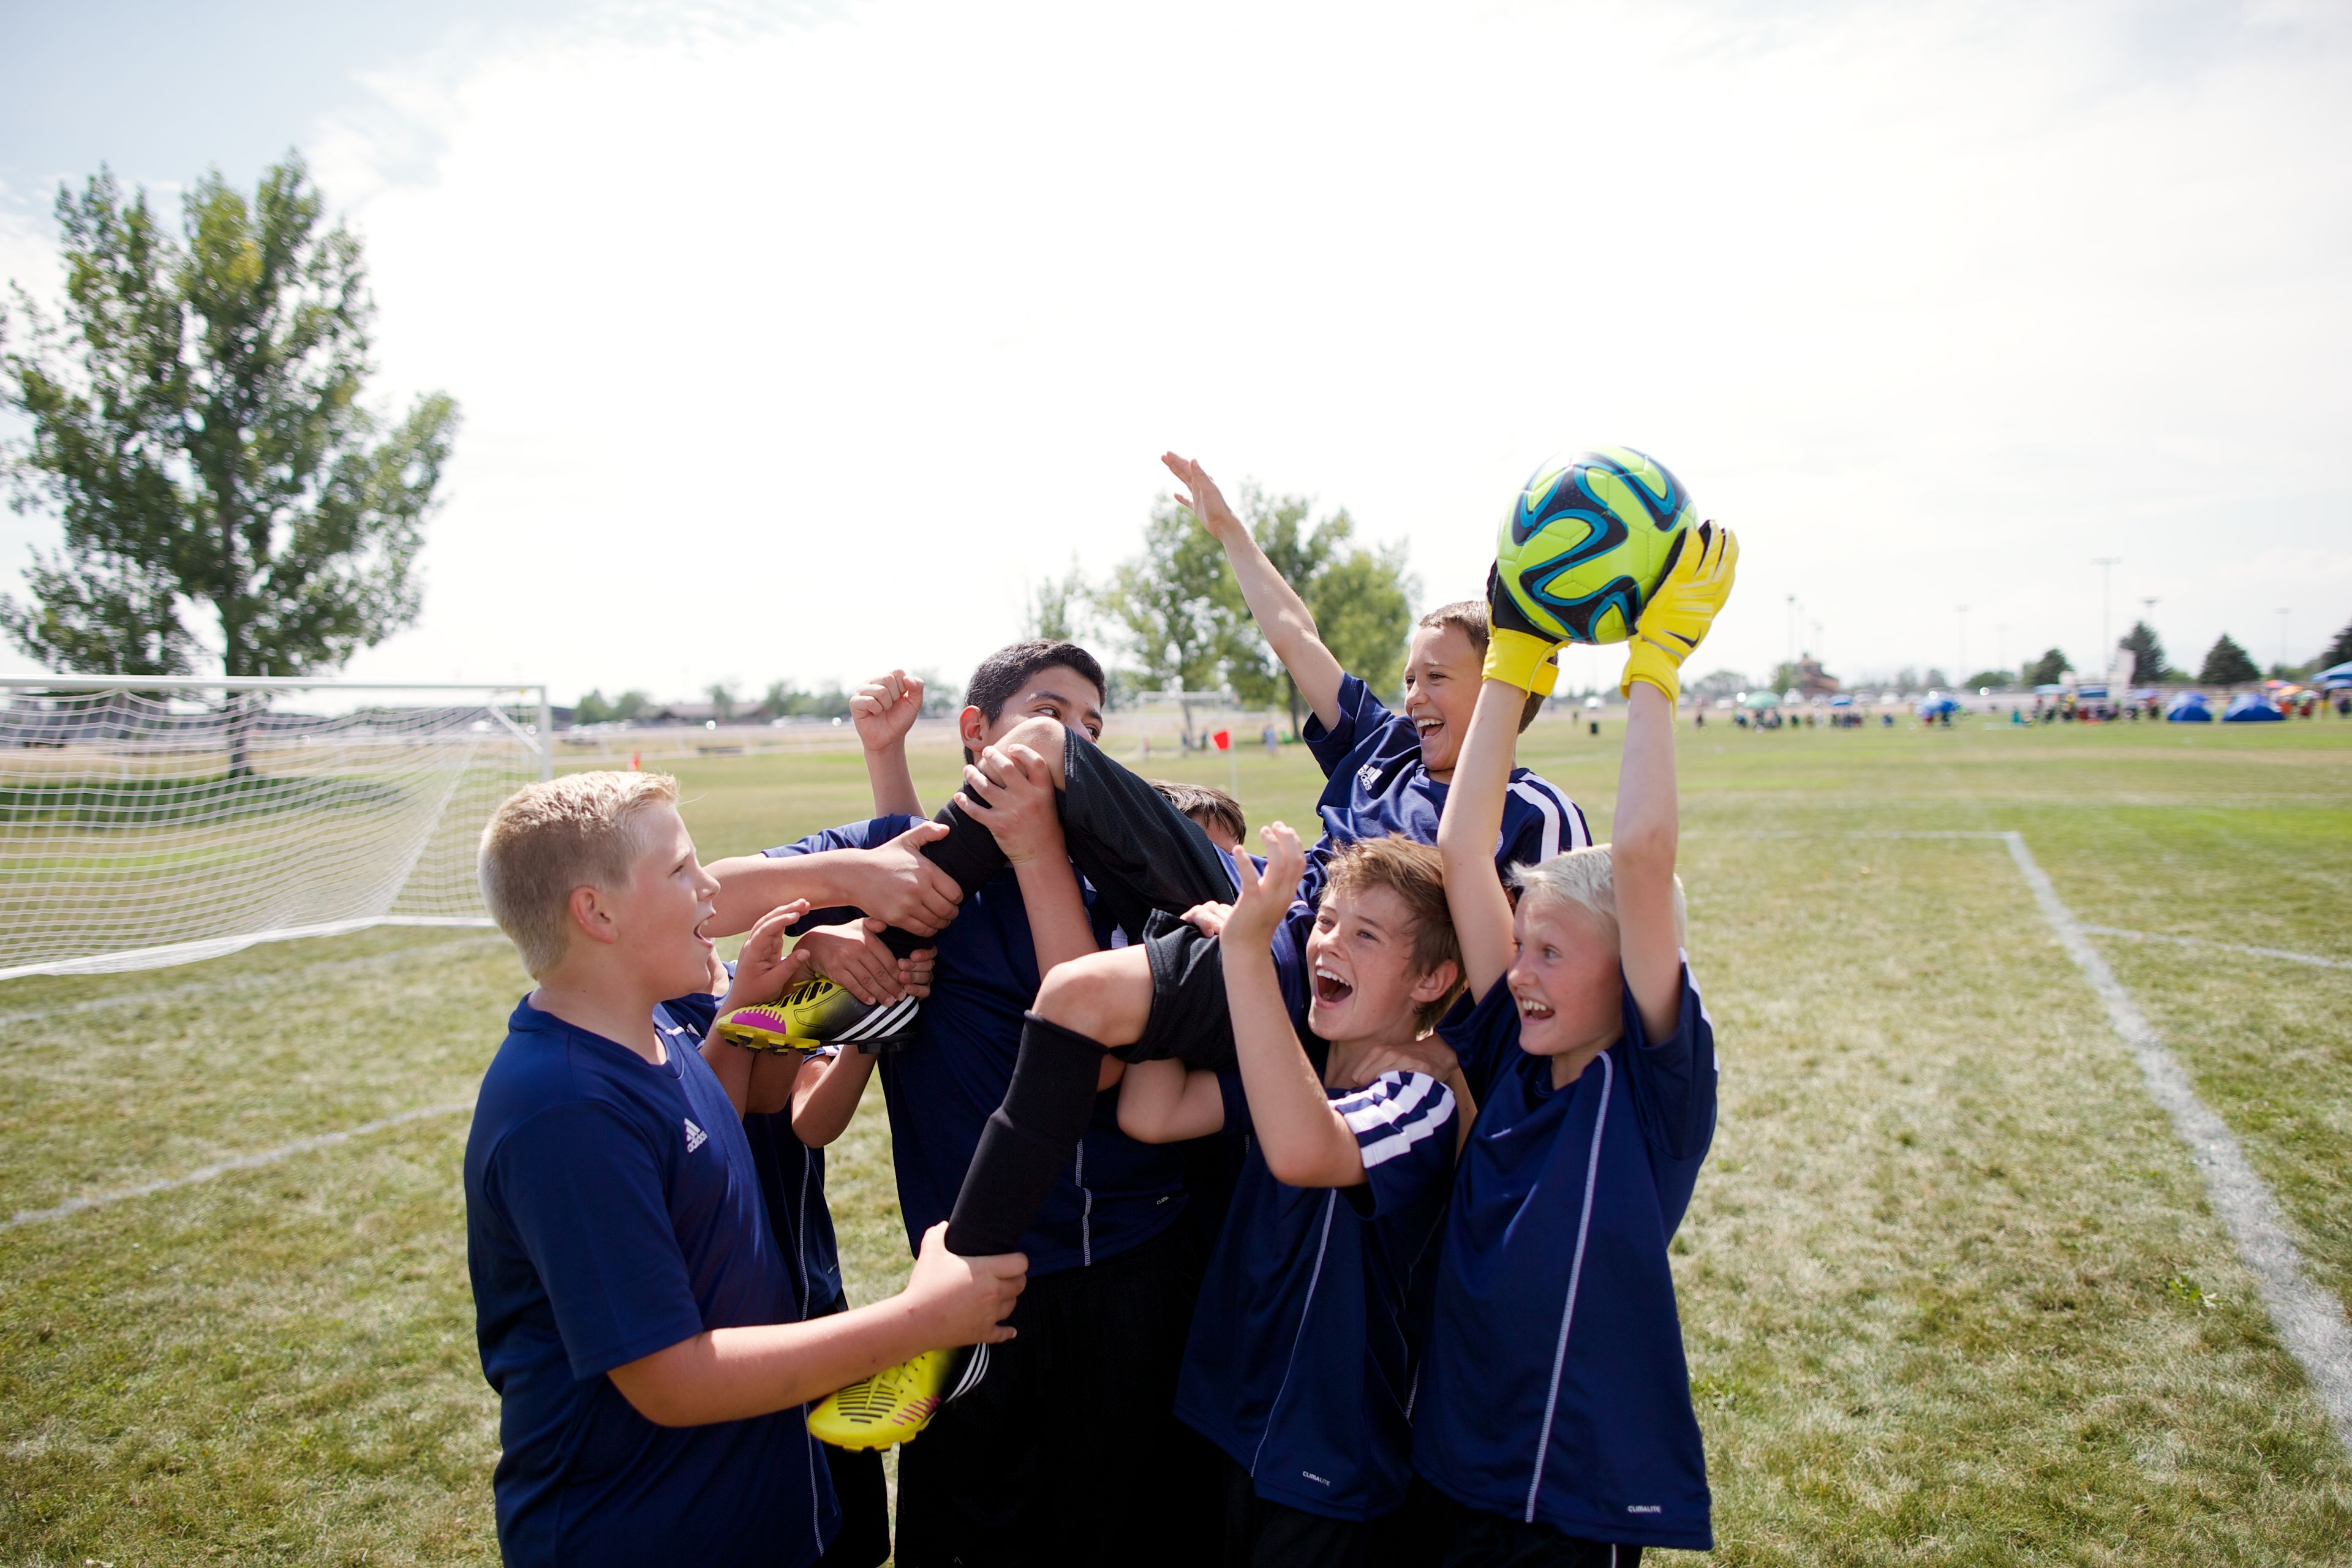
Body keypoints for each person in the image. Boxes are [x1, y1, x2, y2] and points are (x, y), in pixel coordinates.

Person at [822, 454, 1591, 1447]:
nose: (1414, 693)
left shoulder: (1530, 808)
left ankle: (946, 1317)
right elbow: (1295, 635)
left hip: (1314, 988)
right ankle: (881, 940)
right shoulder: (1381, 747)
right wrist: (1231, 531)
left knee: (1086, 998)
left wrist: (1464, 1072)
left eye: (1437, 676)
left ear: (1506, 685)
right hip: (1255, 921)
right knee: (1044, 758)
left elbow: (1533, 972)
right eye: (1409, 676)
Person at [710, 642, 1232, 1567]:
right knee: (965, 1533)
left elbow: (1101, 1065)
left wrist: (1033, 854)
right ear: (975, 733)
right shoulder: (898, 859)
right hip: (957, 1287)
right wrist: (844, 902)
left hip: (1119, 1266)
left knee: (1116, 1531)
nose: (1069, 740)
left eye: (1090, 730)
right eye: (1049, 713)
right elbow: (705, 899)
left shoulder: (1105, 875)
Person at [461, 771, 1024, 1568]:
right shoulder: (565, 1108)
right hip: (645, 1530)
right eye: (682, 871)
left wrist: (753, 1020)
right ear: (596, 912)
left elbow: (710, 1126)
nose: (710, 888)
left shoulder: (650, 1031)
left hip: (748, 1508)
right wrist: (923, 1321)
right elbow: (672, 1381)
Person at [1411, 522, 1736, 1564]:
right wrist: (1510, 661)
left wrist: (1657, 667)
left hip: (1563, 1494)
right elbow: (1464, 847)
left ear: (1632, 962)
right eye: (1524, 948)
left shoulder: (1650, 1093)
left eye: (1552, 952)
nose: (1522, 973)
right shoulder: (1514, 1048)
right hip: (1448, 1458)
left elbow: (1641, 856)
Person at [1120, 831, 1464, 1567]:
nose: (1328, 942)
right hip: (1226, 1423)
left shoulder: (1421, 1097)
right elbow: (1151, 1111)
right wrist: (1190, 970)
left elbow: (1306, 1149)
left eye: (1367, 934)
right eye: (1328, 921)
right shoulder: (1296, 1075)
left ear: (1432, 978)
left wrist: (1247, 955)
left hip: (1331, 1461)